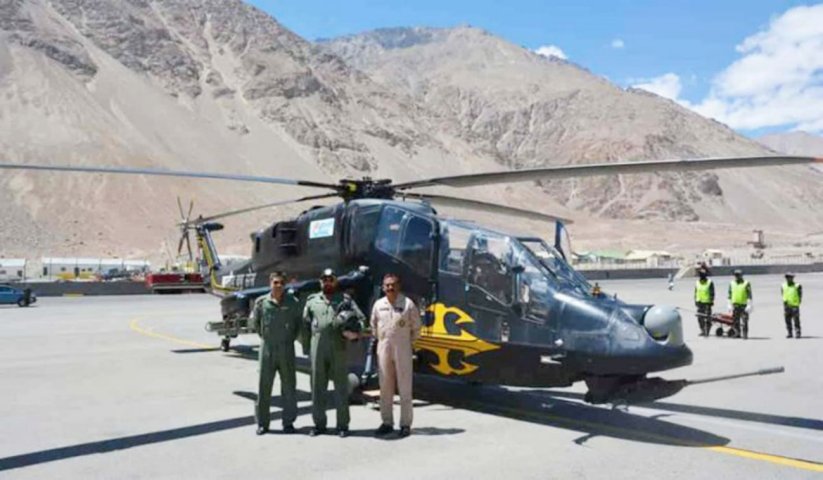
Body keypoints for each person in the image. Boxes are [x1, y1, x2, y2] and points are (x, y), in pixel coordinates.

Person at [303, 268, 365, 438]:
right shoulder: (312, 301)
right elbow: (305, 325)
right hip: (318, 347)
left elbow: (361, 319)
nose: (327, 282)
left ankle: (342, 425)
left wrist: (354, 332)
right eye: (324, 279)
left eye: (331, 279)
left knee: (341, 388)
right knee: (317, 387)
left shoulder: (345, 300)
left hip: (338, 347)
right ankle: (319, 424)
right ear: (320, 281)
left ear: (336, 281)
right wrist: (307, 348)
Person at [370, 273, 421, 438]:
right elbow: (373, 326)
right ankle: (387, 422)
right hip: (384, 347)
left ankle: (405, 424)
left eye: (393, 284)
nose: (390, 288)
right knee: (385, 387)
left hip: (403, 349)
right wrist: (383, 341)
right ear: (383, 287)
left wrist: (407, 343)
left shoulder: (407, 304)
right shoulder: (378, 305)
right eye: (387, 285)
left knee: (405, 387)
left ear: (398, 286)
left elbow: (416, 328)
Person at [250, 272, 301, 435]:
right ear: (270, 283)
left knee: (289, 387)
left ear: (284, 285)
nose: (278, 286)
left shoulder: (292, 302)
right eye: (275, 283)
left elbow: (297, 325)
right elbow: (257, 324)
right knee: (264, 387)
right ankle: (263, 423)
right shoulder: (261, 303)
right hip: (267, 349)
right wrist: (267, 338)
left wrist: (288, 339)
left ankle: (288, 422)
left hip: (286, 348)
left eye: (281, 283)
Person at [727, 269, 753, 339]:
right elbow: (729, 294)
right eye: (736, 275)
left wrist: (749, 304)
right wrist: (729, 304)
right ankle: (737, 333)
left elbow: (749, 295)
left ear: (741, 275)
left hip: (743, 305)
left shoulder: (746, 283)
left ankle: (745, 334)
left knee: (744, 320)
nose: (737, 276)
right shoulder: (731, 283)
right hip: (735, 305)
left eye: (738, 275)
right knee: (735, 321)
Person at [694, 268, 715, 336]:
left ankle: (707, 331)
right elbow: (696, 292)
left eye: (703, 275)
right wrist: (695, 300)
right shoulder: (697, 282)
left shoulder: (709, 282)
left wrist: (711, 301)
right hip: (699, 302)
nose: (701, 276)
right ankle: (703, 330)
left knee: (707, 318)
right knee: (700, 318)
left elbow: (712, 293)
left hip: (707, 303)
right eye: (700, 274)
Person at [781, 273, 803, 338]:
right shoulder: (783, 285)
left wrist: (798, 302)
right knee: (787, 320)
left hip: (794, 305)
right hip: (786, 305)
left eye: (790, 277)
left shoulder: (797, 286)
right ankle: (789, 332)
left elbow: (800, 294)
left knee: (796, 320)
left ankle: (797, 332)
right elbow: (782, 293)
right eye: (787, 277)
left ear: (792, 278)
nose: (788, 279)